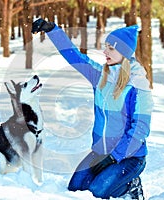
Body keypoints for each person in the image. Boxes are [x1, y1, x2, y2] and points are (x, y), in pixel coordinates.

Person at [31, 18, 153, 200]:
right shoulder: (100, 76)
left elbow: (140, 130)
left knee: (97, 191)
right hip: (101, 152)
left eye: (111, 48)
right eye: (106, 47)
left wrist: (114, 157)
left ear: (124, 53)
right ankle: (114, 179)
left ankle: (130, 187)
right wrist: (52, 30)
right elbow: (74, 57)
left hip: (130, 157)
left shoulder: (138, 87)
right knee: (76, 189)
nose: (105, 52)